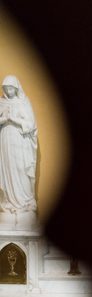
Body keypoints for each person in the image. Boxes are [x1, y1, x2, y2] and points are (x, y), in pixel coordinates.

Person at [0, 75, 38, 228]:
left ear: (16, 88)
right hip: (6, 141)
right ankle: (9, 203)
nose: (8, 91)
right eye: (6, 89)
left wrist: (13, 119)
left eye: (11, 88)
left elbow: (30, 124)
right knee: (8, 170)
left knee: (21, 170)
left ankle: (25, 203)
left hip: (21, 142)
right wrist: (4, 119)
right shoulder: (1, 103)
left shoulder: (24, 102)